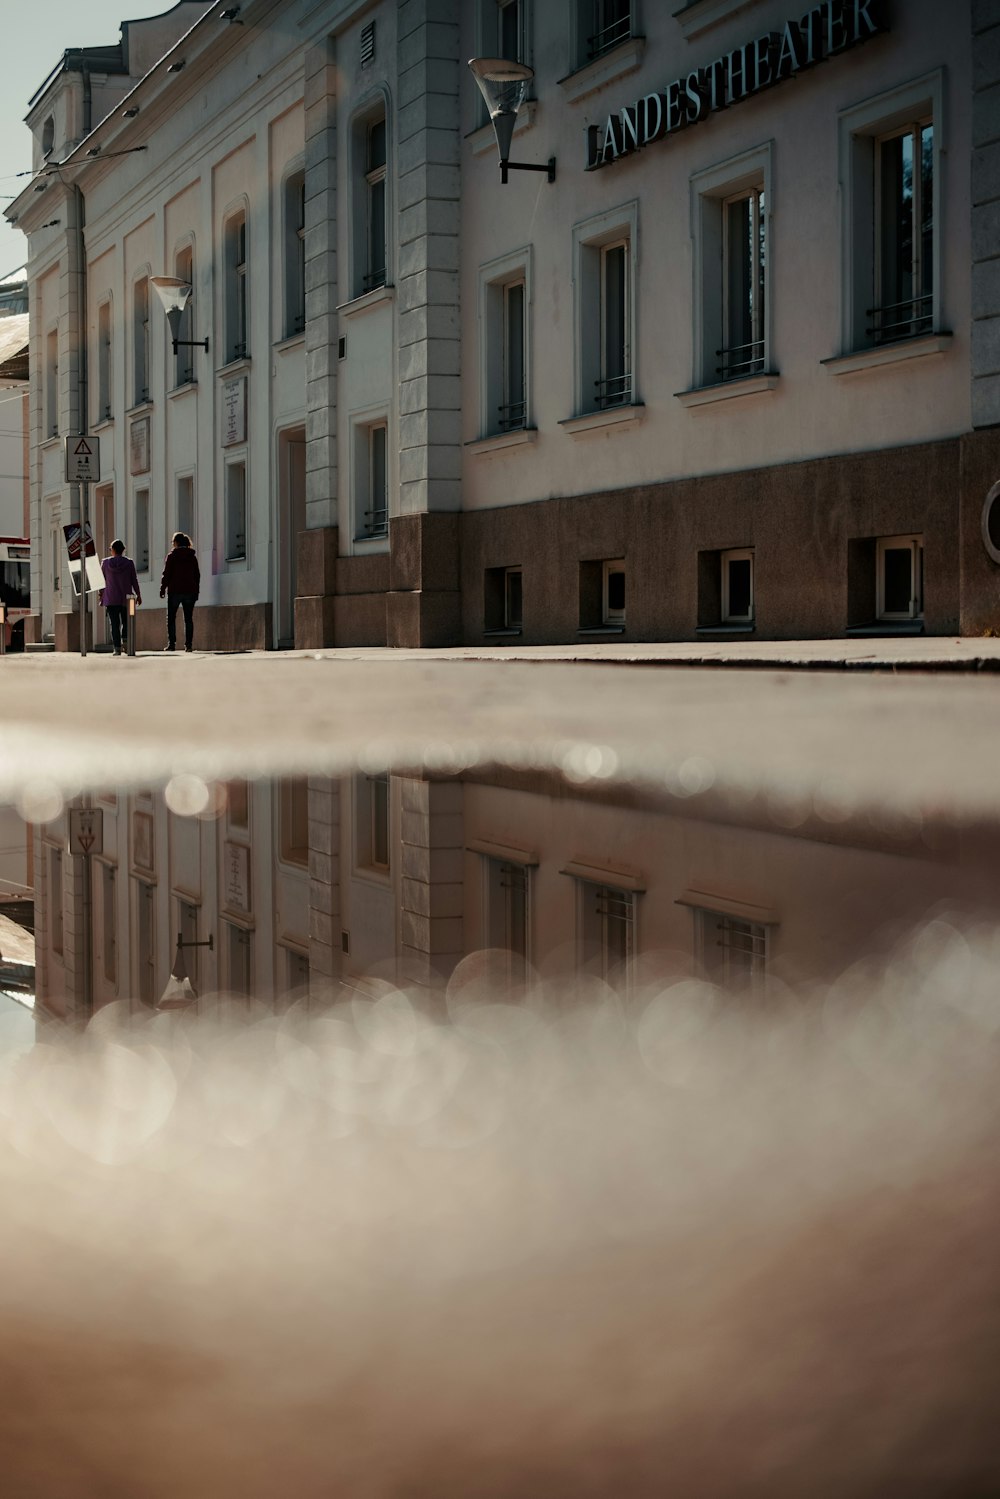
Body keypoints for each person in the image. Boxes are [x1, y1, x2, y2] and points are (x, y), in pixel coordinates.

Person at [98, 539, 141, 656]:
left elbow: (101, 581)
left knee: (114, 624)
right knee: (128, 622)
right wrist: (138, 594)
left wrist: (101, 594)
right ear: (123, 550)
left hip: (111, 598)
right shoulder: (129, 563)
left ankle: (117, 648)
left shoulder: (105, 563)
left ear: (112, 550)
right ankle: (127, 643)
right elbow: (134, 580)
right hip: (129, 599)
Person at [159, 532, 201, 652]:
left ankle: (172, 644)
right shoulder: (192, 557)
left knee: (171, 618)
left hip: (175, 591)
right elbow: (197, 575)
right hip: (190, 591)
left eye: (173, 542)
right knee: (188, 618)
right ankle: (188, 645)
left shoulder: (172, 556)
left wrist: (162, 588)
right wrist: (196, 591)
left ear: (176, 543)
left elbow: (166, 574)